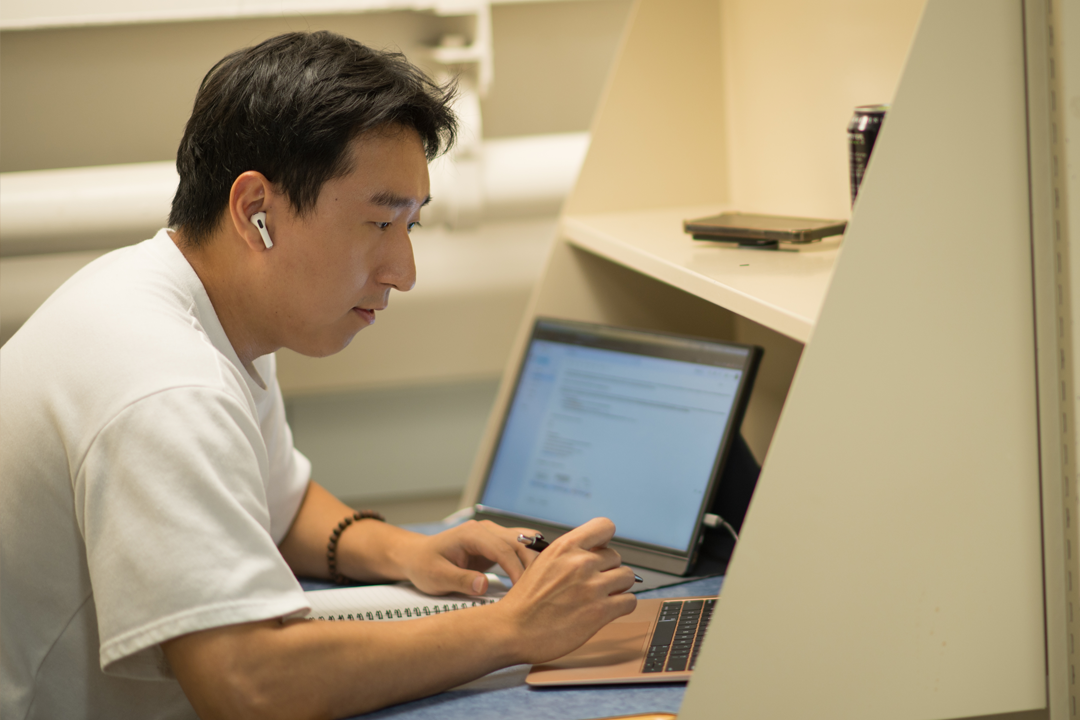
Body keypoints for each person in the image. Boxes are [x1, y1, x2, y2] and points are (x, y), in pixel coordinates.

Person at [0, 31, 636, 720]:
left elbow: (281, 505)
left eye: (410, 228)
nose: (404, 273)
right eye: (377, 222)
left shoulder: (188, 301)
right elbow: (247, 685)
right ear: (256, 213)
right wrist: (510, 630)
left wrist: (410, 553)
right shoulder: (166, 384)